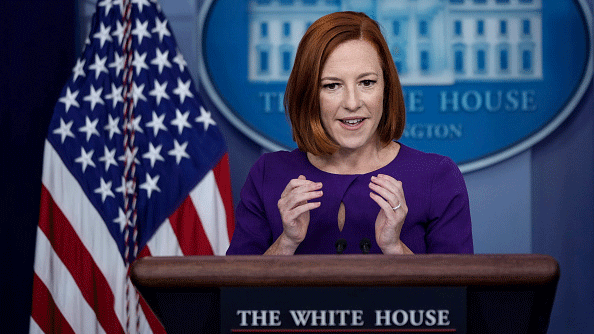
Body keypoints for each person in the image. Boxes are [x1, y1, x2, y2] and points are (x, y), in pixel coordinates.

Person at [227, 11, 473, 255]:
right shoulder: (267, 174)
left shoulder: (437, 176)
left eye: (367, 83)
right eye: (332, 85)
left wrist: (395, 249)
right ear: (309, 94)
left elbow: (455, 293)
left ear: (386, 88)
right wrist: (287, 242)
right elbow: (235, 292)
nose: (352, 103)